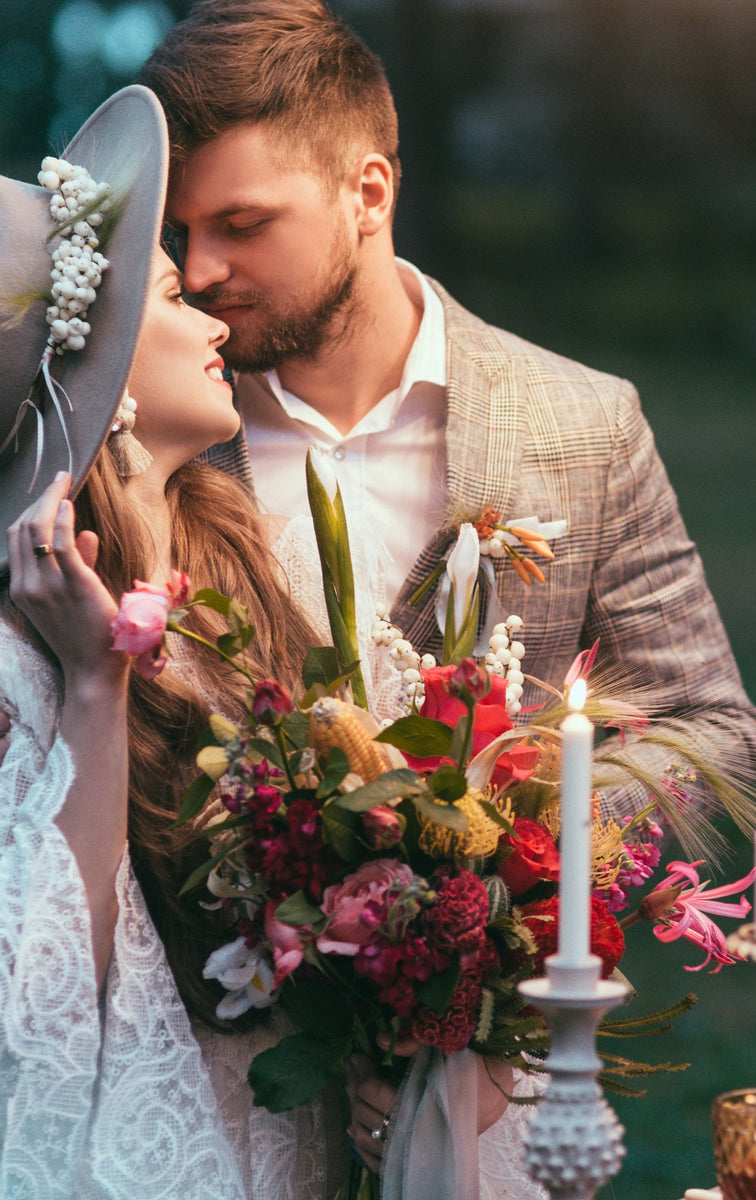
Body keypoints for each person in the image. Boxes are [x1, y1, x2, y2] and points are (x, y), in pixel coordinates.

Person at [0, 86, 535, 1200]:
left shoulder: (232, 544)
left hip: (303, 1123)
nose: (204, 304)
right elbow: (44, 1003)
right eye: (162, 290)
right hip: (186, 1143)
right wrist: (96, 688)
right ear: (90, 368)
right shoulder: (24, 645)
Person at [136, 0, 756, 838]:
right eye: (181, 231)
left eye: (241, 225)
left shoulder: (590, 425)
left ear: (368, 192)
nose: (203, 268)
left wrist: (510, 838)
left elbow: (713, 731)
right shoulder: (155, 434)